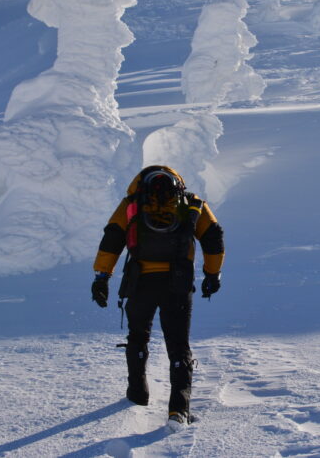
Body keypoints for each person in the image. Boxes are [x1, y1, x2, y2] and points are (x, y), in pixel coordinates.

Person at [90, 165, 224, 426]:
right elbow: (214, 236)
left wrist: (101, 277)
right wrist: (212, 274)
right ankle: (179, 409)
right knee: (178, 345)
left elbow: (112, 239)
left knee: (138, 337)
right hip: (178, 283)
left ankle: (137, 394)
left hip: (140, 281)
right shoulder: (192, 203)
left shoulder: (131, 204)